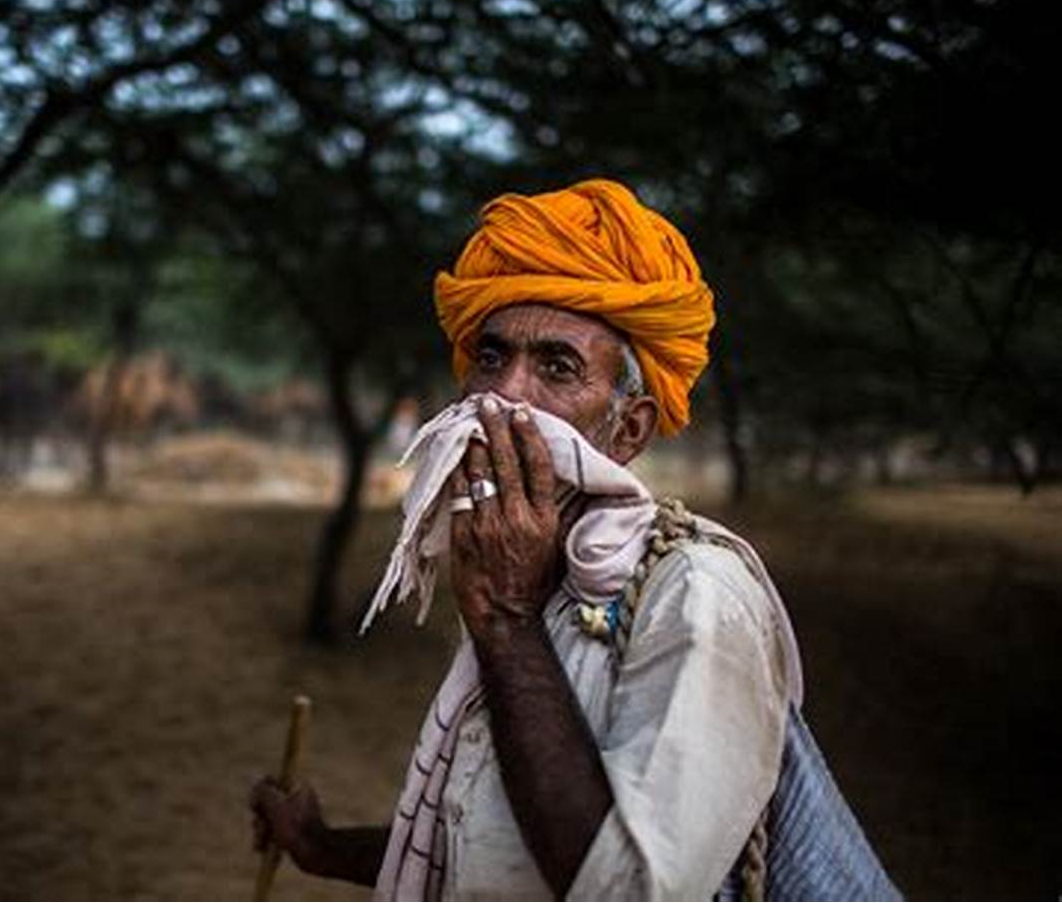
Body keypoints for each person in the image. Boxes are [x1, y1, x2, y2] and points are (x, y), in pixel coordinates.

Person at [249, 178, 896, 900]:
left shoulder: (692, 593)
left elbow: (625, 889)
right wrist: (322, 846)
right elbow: (491, 847)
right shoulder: (538, 569)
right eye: (491, 358)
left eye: (557, 367)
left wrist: (504, 617)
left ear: (629, 429)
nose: (508, 395)